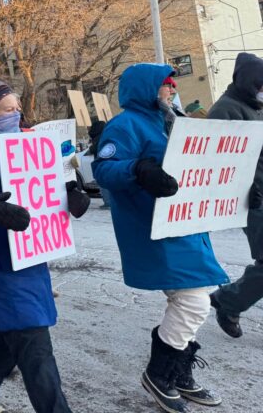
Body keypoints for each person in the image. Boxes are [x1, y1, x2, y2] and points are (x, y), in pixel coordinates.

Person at [0, 79, 87, 413]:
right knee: (34, 345)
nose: (16, 113)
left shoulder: (31, 145)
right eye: (8, 109)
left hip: (31, 257)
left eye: (17, 107)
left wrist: (70, 195)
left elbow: (48, 189)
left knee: (10, 344)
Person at [92, 63, 228, 413]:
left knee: (192, 297)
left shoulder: (174, 121)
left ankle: (178, 372)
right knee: (194, 300)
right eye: (166, 85)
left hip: (187, 223)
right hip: (153, 224)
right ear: (148, 90)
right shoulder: (124, 125)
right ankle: (159, 372)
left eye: (172, 84)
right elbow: (104, 169)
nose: (172, 89)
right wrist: (137, 169)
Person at [206, 52, 263, 338]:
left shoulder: (257, 108)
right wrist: (245, 189)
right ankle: (228, 300)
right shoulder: (225, 111)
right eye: (260, 85)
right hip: (254, 200)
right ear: (248, 83)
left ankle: (229, 299)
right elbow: (218, 162)